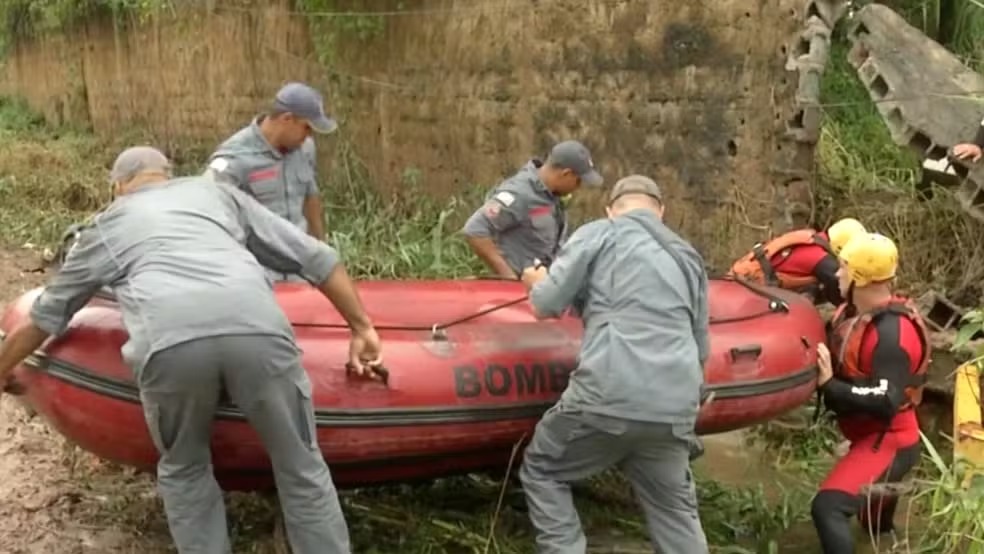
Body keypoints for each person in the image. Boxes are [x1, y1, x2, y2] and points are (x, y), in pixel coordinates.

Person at [0, 146, 382, 554]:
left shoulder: (106, 227)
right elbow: (317, 257)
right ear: (167, 174)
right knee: (302, 467)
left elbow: (46, 315)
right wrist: (362, 327)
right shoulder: (217, 194)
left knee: (185, 469)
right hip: (258, 333)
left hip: (171, 345)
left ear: (117, 188)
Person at [517, 174, 710, 554]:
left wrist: (536, 280)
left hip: (607, 394)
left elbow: (545, 304)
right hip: (674, 406)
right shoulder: (688, 256)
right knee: (674, 512)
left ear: (611, 209)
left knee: (543, 469)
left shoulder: (598, 233)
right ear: (661, 212)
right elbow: (700, 346)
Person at [812, 232, 930, 554]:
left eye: (843, 269)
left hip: (890, 439)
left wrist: (829, 386)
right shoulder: (854, 310)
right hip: (872, 436)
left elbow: (885, 400)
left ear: (860, 278)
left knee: (828, 508)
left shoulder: (892, 334)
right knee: (875, 530)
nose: (837, 275)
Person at [205, 81, 335, 280]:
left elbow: (311, 196)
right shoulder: (233, 158)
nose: (309, 136)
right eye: (306, 128)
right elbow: (211, 216)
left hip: (301, 273)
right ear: (287, 119)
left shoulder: (305, 148)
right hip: (258, 277)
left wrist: (321, 254)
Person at [461, 140, 604, 279]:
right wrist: (507, 276)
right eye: (578, 181)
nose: (578, 187)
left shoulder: (552, 195)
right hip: (519, 292)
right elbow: (475, 229)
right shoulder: (519, 193)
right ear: (565, 174)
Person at [728, 217, 867, 305]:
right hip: (746, 292)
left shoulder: (812, 238)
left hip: (739, 281)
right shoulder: (820, 259)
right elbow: (840, 295)